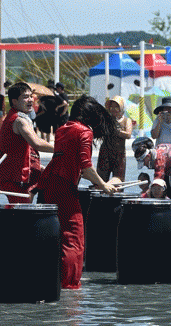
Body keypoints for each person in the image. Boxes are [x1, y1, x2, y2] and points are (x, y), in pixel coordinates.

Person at [36, 94, 117, 290]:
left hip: (48, 185)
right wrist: (103, 185)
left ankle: (56, 279)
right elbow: (86, 167)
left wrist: (96, 182)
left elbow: (69, 162)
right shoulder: (84, 131)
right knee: (74, 237)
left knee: (59, 234)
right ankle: (70, 285)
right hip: (64, 186)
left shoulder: (63, 128)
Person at [0, 82, 54, 203]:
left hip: (13, 173)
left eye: (31, 96)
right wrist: (61, 148)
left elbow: (27, 148)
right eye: (25, 97)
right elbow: (36, 143)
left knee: (22, 206)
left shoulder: (17, 117)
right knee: (22, 209)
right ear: (14, 101)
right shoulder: (19, 120)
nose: (30, 100)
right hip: (13, 176)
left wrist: (37, 166)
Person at [97, 96, 133, 182]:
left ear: (121, 108)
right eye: (111, 107)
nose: (113, 109)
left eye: (116, 107)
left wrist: (117, 131)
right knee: (101, 179)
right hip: (105, 153)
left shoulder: (126, 120)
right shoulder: (106, 119)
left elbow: (128, 135)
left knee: (119, 179)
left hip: (119, 155)